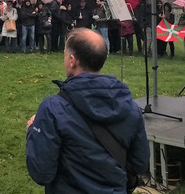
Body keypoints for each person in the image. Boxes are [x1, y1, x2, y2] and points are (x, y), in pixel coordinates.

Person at [26, 28, 149, 193]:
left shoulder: (53, 109)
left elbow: (41, 172)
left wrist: (33, 133)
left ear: (72, 60)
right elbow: (140, 163)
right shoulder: (130, 108)